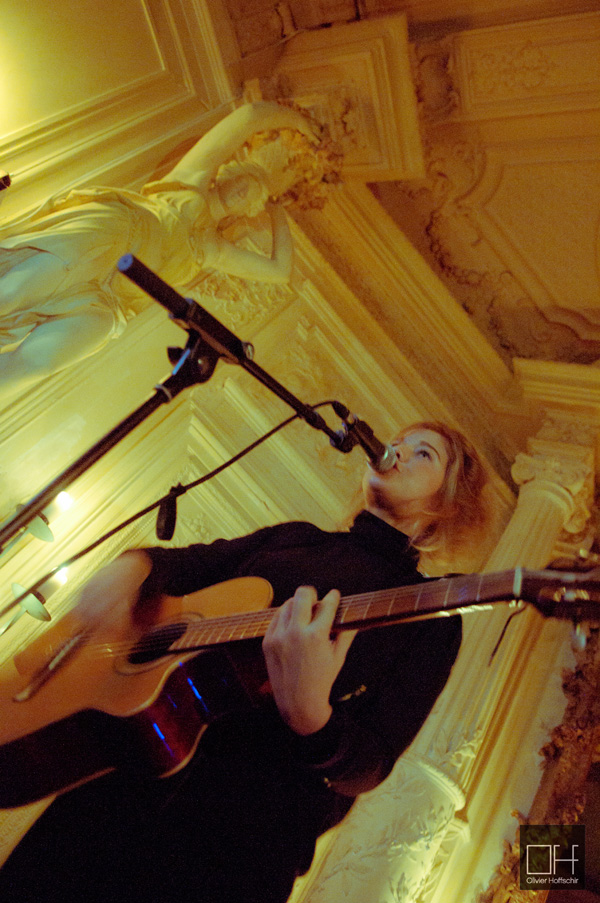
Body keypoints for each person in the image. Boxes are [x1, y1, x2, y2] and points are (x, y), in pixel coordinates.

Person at [0, 421, 492, 903]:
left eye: (424, 453)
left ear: (447, 506)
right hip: (121, 781)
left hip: (237, 844)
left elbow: (370, 764)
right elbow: (187, 563)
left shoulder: (429, 613)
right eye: (399, 441)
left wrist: (312, 718)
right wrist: (134, 566)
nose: (396, 450)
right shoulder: (296, 536)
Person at [0, 102, 336, 398]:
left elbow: (279, 271)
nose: (244, 192)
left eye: (254, 196)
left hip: (112, 301)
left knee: (43, 361)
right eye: (246, 181)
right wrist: (295, 120)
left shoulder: (212, 249)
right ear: (228, 172)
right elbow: (247, 117)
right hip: (111, 238)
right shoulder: (190, 182)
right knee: (12, 293)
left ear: (250, 210)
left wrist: (277, 207)